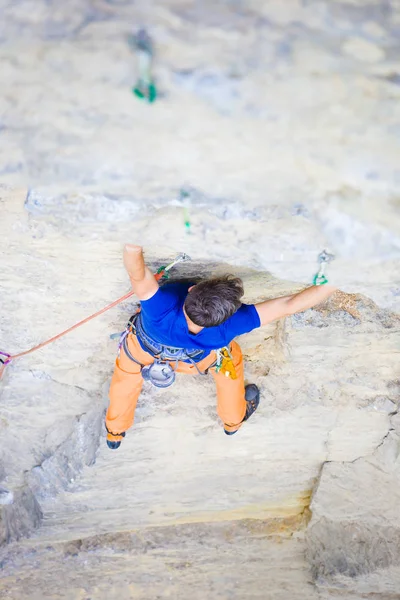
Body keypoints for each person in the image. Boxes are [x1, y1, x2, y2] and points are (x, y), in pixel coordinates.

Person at [105, 245, 337, 449]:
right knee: (231, 361)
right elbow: (289, 305)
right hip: (195, 361)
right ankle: (233, 421)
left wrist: (134, 245)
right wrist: (336, 279)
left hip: (142, 352)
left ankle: (115, 432)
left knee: (125, 377)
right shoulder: (229, 327)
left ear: (191, 290)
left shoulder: (159, 307)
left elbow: (136, 273)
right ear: (227, 315)